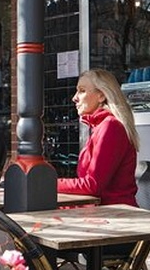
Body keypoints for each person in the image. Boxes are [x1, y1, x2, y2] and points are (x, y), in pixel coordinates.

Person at [57, 69, 139, 206]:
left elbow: (92, 185)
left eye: (82, 91)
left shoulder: (111, 127)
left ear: (101, 95)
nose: (74, 97)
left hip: (115, 216)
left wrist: (47, 184)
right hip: (101, 211)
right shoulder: (101, 127)